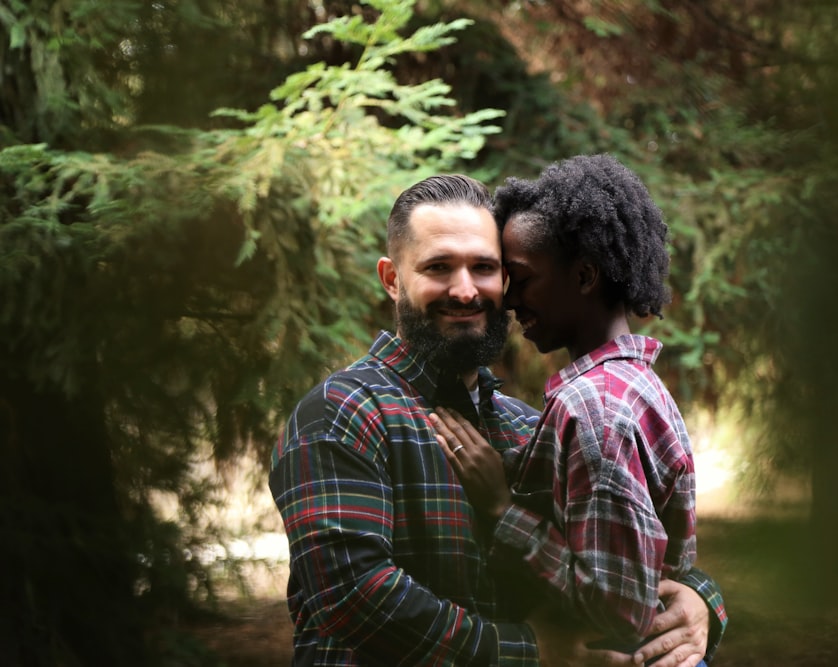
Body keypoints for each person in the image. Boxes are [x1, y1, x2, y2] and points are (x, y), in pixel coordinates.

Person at [269, 173, 723, 666]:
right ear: (393, 278)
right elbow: (353, 595)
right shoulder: (341, 412)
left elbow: (613, 552)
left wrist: (702, 602)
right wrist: (531, 654)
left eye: (484, 267)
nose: (466, 291)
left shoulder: (530, 425)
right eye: (439, 267)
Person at [431, 155, 726, 664]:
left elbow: (617, 608)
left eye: (520, 279)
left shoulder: (594, 409)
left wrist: (503, 509)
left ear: (585, 276)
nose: (507, 299)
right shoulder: (635, 385)